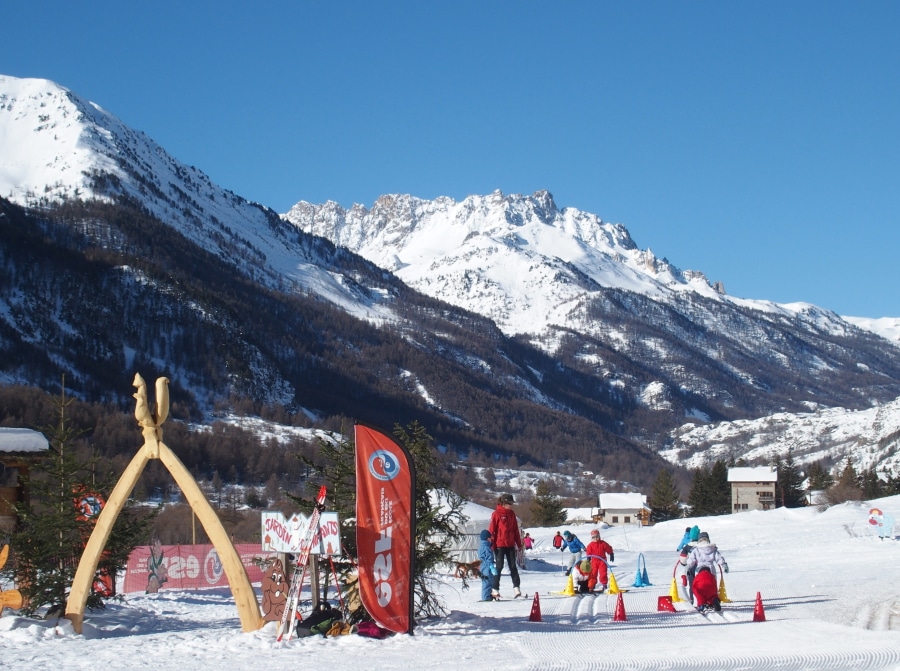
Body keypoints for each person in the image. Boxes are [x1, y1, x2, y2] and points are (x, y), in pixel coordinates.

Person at [488, 493, 523, 599]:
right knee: (499, 567)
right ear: (503, 503)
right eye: (509, 503)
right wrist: (491, 544)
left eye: (511, 503)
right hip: (499, 545)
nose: (510, 505)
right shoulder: (496, 514)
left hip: (510, 544)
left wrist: (518, 543)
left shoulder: (512, 514)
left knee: (513, 567)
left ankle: (517, 588)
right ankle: (495, 589)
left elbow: (515, 530)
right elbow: (491, 530)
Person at [685, 531, 729, 612]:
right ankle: (713, 599)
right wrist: (724, 565)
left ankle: (700, 602)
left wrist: (688, 567)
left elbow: (691, 560)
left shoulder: (696, 550)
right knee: (712, 586)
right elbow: (719, 558)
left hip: (699, 570)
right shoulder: (712, 549)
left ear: (699, 540)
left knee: (699, 586)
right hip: (711, 569)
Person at [477, 529, 498, 601]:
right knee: (488, 583)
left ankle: (486, 596)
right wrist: (492, 567)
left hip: (482, 568)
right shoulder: (487, 548)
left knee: (485, 583)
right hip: (487, 568)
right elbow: (489, 559)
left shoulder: (481, 547)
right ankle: (486, 597)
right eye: (490, 538)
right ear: (487, 538)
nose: (491, 539)